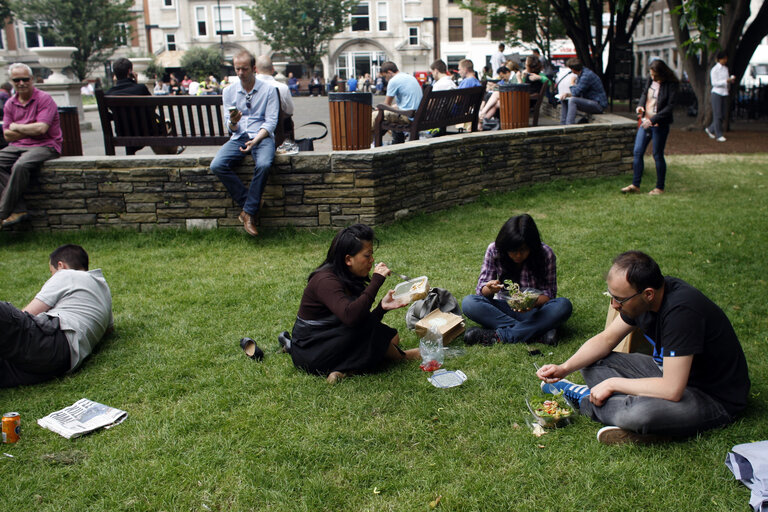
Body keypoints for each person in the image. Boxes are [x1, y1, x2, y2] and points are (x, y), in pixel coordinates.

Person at [537, 251, 750, 445]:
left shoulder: (682, 313)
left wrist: (612, 383)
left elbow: (672, 389)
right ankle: (639, 419)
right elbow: (607, 339)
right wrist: (564, 368)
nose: (614, 305)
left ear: (648, 294)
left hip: (711, 397)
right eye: (611, 296)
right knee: (593, 360)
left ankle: (587, 399)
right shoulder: (643, 301)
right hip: (668, 373)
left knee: (639, 415)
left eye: (619, 299)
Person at [287, 224, 420, 383]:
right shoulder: (325, 281)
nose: (372, 260)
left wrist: (381, 308)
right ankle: (403, 356)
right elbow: (351, 317)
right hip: (311, 351)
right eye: (367, 255)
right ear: (348, 259)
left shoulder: (348, 276)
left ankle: (345, 371)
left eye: (372, 255)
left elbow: (357, 320)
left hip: (330, 340)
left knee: (392, 336)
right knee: (376, 335)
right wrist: (376, 281)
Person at [1, 244, 113, 387]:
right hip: (61, 363)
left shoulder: (67, 274)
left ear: (61, 266)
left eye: (51, 272)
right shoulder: (103, 290)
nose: (52, 277)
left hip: (51, 342)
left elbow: (27, 314)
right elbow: (109, 329)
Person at [461, 214, 572, 346]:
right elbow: (481, 290)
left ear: (532, 246)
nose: (518, 255)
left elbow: (549, 294)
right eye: (513, 251)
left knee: (563, 305)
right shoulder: (494, 250)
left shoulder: (545, 253)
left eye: (523, 250)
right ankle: (538, 333)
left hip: (534, 311)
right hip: (502, 308)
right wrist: (489, 288)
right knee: (469, 303)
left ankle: (499, 336)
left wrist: (530, 302)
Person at [210, 50, 279, 237]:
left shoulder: (269, 90)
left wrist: (255, 141)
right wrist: (233, 122)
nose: (240, 73)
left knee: (264, 164)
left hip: (261, 136)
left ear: (254, 68)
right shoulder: (229, 91)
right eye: (237, 69)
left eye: (245, 69)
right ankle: (252, 203)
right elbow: (230, 126)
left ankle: (248, 212)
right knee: (217, 165)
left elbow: (271, 122)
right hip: (239, 136)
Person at [0, 63, 62, 229]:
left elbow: (42, 129)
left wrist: (17, 127)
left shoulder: (44, 99)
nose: (21, 83)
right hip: (17, 146)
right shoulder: (10, 104)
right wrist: (30, 128)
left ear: (32, 79)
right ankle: (18, 209)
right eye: (17, 80)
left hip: (46, 145)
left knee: (21, 165)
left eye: (25, 79)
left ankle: (2, 213)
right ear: (12, 81)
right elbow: (7, 135)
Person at [621, 59, 679, 196]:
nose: (653, 78)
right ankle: (635, 185)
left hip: (659, 124)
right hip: (645, 121)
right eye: (651, 75)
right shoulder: (650, 80)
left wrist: (653, 120)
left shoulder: (672, 84)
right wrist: (640, 106)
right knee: (637, 151)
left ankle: (660, 187)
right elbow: (644, 93)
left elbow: (669, 108)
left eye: (655, 76)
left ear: (663, 74)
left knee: (657, 154)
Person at [105, 58, 153, 156]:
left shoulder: (109, 94)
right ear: (129, 71)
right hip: (144, 132)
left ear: (115, 74)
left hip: (122, 133)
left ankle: (130, 153)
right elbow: (152, 108)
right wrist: (135, 81)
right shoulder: (140, 89)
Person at [371, 61, 423, 144]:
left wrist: (378, 108)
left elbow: (386, 104)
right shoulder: (409, 77)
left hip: (409, 116)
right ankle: (396, 140)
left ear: (389, 72)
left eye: (385, 76)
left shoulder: (394, 80)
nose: (386, 79)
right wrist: (395, 106)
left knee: (374, 116)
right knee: (390, 115)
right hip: (418, 114)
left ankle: (365, 142)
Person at [559, 57, 608, 125]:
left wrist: (572, 83)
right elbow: (578, 91)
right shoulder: (582, 73)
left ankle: (569, 125)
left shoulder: (586, 76)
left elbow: (575, 93)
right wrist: (567, 94)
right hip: (590, 102)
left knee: (573, 100)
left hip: (598, 105)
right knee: (564, 99)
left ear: (573, 69)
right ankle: (563, 124)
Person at [705, 51, 735, 143]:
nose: (725, 60)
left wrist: (730, 82)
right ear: (719, 59)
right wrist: (726, 81)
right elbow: (714, 83)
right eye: (723, 58)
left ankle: (710, 129)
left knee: (722, 114)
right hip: (717, 93)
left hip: (725, 93)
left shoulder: (726, 69)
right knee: (717, 114)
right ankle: (719, 134)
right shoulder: (714, 70)